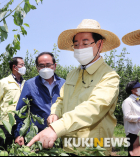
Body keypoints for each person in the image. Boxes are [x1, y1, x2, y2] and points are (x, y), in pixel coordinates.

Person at [27, 19, 121, 156]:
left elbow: (94, 107)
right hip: (69, 147)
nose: (80, 48)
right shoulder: (72, 74)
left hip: (93, 149)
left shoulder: (109, 76)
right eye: (76, 44)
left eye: (85, 43)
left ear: (99, 45)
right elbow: (61, 99)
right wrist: (55, 113)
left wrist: (56, 129)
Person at [14, 52, 65, 146]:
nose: (45, 68)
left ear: (55, 66)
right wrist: (19, 134)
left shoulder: (64, 84)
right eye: (41, 66)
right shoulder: (30, 84)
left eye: (48, 65)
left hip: (60, 134)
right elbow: (21, 111)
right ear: (37, 68)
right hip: (37, 135)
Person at [0, 57, 26, 150]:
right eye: (22, 65)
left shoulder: (25, 84)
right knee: (3, 148)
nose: (24, 67)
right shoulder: (3, 82)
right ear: (14, 67)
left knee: (20, 149)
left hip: (21, 123)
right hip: (6, 122)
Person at [122, 80, 140, 156]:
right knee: (133, 152)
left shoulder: (138, 101)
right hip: (132, 132)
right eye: (138, 87)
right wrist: (139, 118)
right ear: (132, 90)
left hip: (138, 130)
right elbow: (127, 116)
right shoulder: (127, 101)